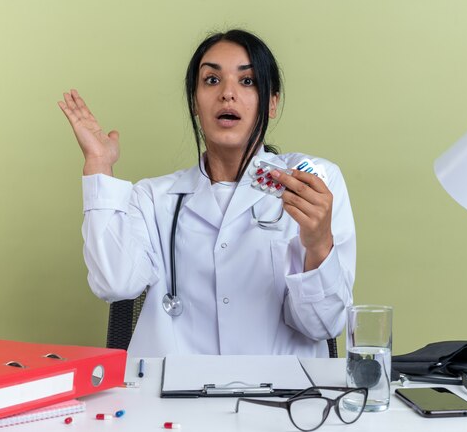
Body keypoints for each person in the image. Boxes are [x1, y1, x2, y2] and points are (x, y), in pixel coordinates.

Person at [58, 29, 355, 358]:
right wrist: (99, 165)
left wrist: (317, 244)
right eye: (212, 80)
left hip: (280, 400)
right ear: (194, 102)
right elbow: (114, 284)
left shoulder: (313, 188)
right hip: (170, 397)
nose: (228, 94)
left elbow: (323, 325)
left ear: (272, 102)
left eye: (248, 81)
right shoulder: (154, 198)